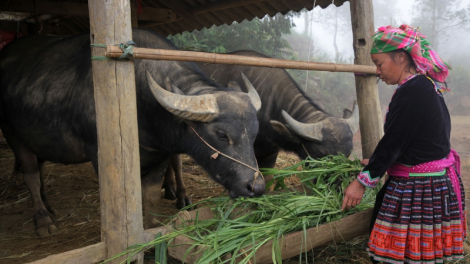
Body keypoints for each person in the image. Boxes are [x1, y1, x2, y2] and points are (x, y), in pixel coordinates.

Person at [341, 24, 466, 264]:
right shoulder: (423, 85)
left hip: (420, 188)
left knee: (401, 256)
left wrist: (361, 182)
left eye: (379, 63)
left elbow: (395, 140)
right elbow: (418, 139)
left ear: (400, 57)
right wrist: (380, 162)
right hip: (432, 180)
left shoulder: (415, 89)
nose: (377, 71)